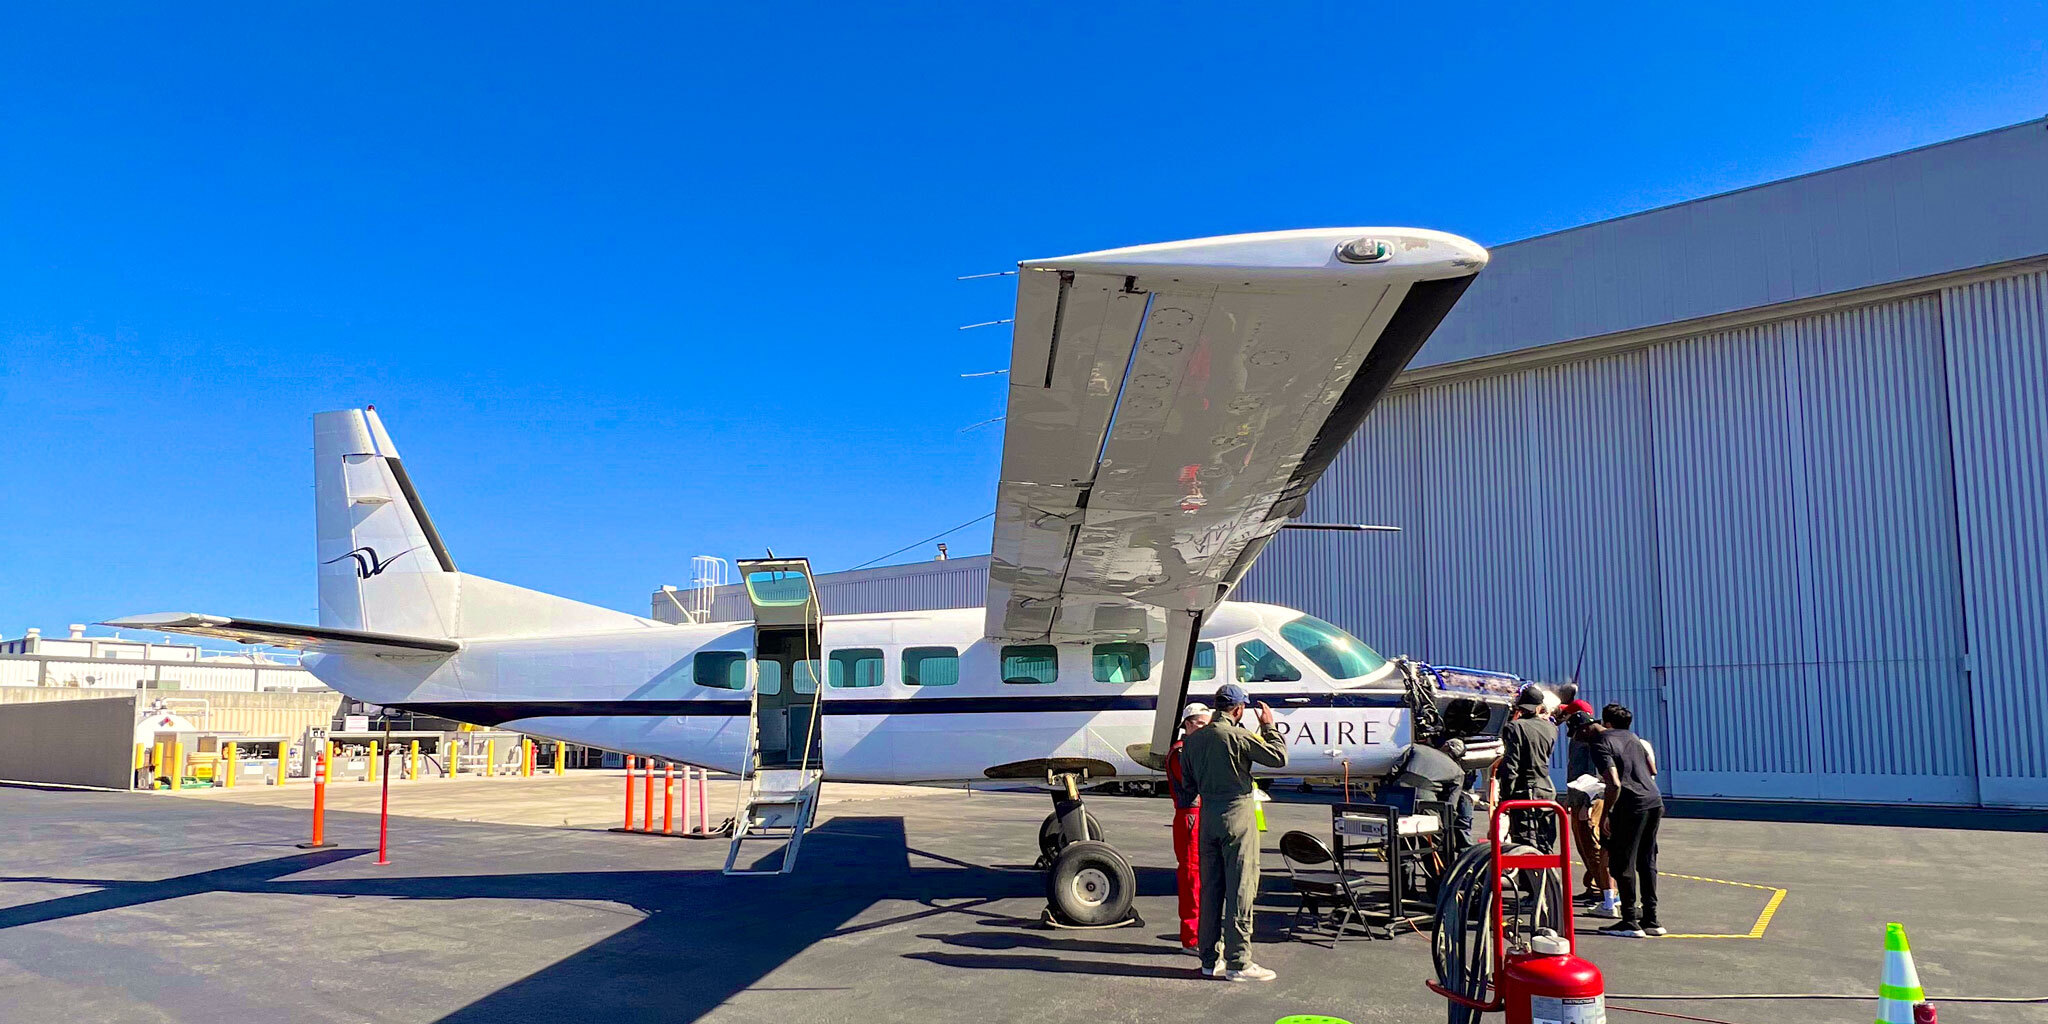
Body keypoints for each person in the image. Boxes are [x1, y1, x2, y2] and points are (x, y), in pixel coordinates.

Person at [1183, 682, 1287, 982]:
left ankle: (1208, 958)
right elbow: (1279, 758)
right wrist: (1269, 727)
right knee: (1241, 887)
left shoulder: (1194, 741)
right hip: (1238, 815)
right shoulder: (1239, 735)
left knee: (1211, 890)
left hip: (1207, 816)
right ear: (1239, 709)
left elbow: (1187, 786)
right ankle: (1238, 962)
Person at [1593, 703, 1664, 937]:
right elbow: (1651, 769)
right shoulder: (1634, 738)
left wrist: (1607, 814)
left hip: (1630, 802)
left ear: (1607, 722)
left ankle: (1629, 921)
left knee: (1622, 862)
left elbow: (1613, 782)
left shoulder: (1602, 741)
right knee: (1646, 859)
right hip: (1653, 799)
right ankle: (1651, 919)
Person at [1562, 711, 1619, 917]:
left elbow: (1590, 774)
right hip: (1580, 796)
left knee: (1593, 844)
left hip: (1590, 799)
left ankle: (1603, 890)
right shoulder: (1585, 740)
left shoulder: (1591, 743)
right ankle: (1597, 886)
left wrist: (1587, 801)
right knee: (1585, 845)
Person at [1167, 702, 1212, 952]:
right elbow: (1194, 782)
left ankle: (1197, 932)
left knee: (1199, 875)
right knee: (1192, 874)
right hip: (1190, 816)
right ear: (1189, 724)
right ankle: (1192, 936)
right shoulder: (1182, 752)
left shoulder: (1187, 749)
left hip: (1195, 815)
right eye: (1203, 724)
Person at [1496, 683, 1559, 850]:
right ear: (1539, 708)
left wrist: (1506, 796)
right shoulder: (1551, 728)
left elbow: (1511, 765)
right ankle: (1550, 876)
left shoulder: (1514, 727)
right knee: (1546, 843)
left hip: (1525, 791)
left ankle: (1529, 877)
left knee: (1525, 845)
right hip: (1546, 789)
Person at [1391, 735, 1471, 851]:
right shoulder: (1458, 772)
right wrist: (1445, 825)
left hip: (1399, 795)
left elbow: (1394, 770)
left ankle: (1403, 868)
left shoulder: (1417, 748)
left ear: (1446, 745)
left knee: (1401, 841)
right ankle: (1438, 868)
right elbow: (1450, 805)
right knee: (1432, 843)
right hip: (1426, 801)